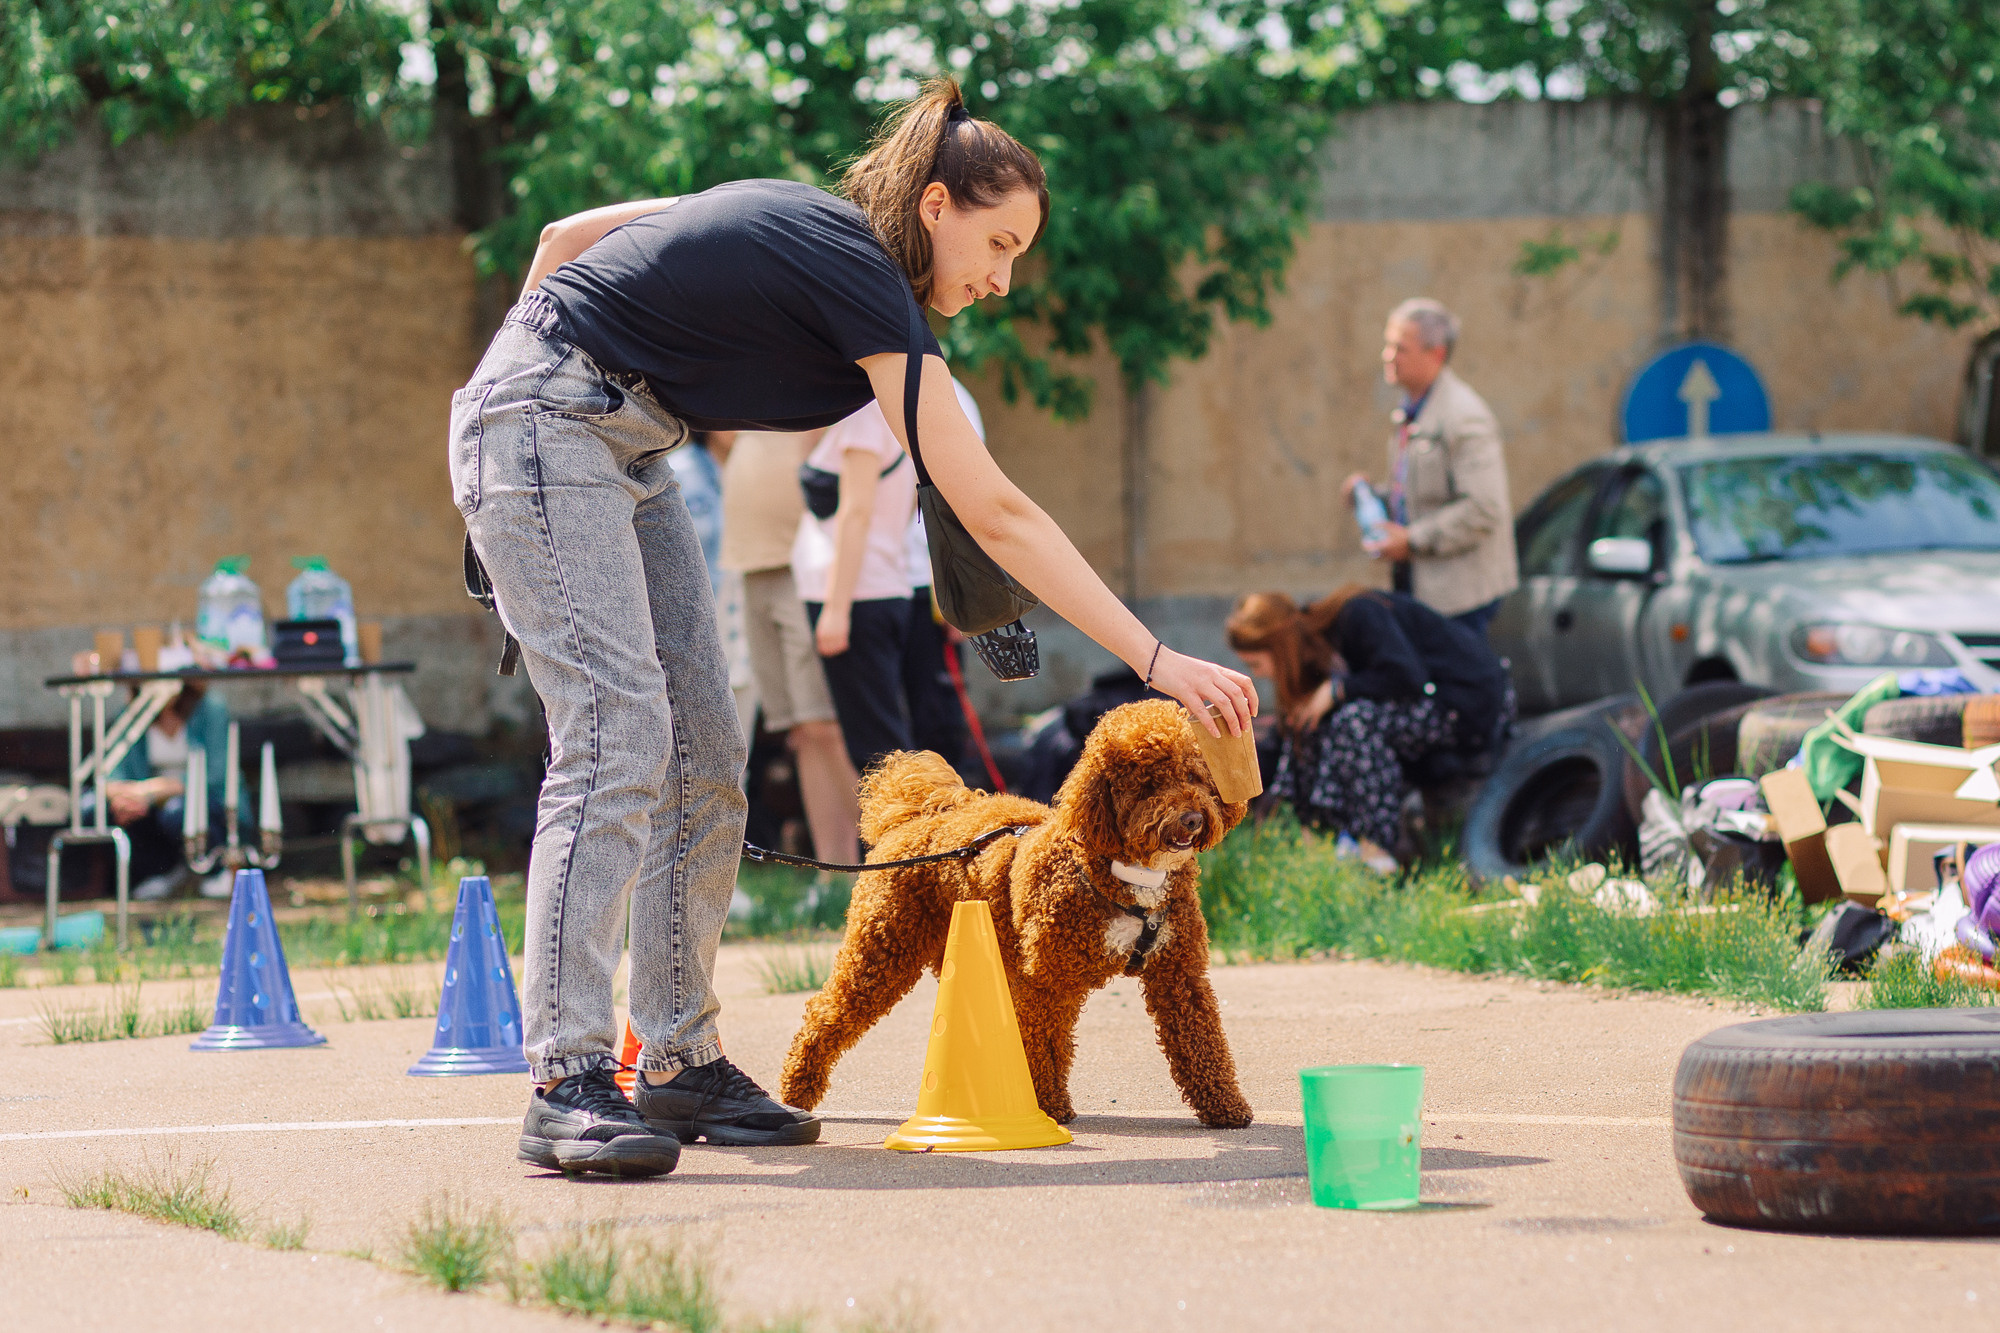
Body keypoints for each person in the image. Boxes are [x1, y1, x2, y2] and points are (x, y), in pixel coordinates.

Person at [451, 78, 1256, 1180]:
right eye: (998, 241)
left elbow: (564, 236)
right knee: (616, 735)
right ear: (935, 207)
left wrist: (507, 371)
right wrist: (1153, 655)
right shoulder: (863, 277)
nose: (1003, 277)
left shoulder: (815, 244)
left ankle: (676, 1059)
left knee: (707, 755)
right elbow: (996, 509)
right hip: (547, 424)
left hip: (624, 446)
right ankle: (564, 1075)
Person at [1225, 586, 1509, 865]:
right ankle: (1319, 841)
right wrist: (1229, 788)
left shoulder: (1356, 614)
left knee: (1352, 721)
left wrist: (1338, 691)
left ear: (1279, 647)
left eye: (1255, 664)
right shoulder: (1314, 652)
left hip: (1466, 702)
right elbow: (1283, 737)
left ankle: (1377, 849)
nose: (1258, 675)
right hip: (1424, 707)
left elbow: (1408, 677)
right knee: (1310, 723)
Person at [796, 377, 984, 778]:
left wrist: (836, 608)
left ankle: (908, 839)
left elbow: (857, 511)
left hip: (862, 591)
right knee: (893, 744)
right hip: (889, 583)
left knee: (878, 753)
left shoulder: (872, 409)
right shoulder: (911, 405)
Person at [721, 430, 864, 864]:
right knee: (802, 732)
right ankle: (834, 869)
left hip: (802, 564)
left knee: (824, 724)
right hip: (751, 562)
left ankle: (894, 853)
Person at [1341, 299, 1518, 639]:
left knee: (1457, 689)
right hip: (1423, 590)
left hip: (1462, 598)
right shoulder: (1412, 407)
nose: (1387, 356)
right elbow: (1424, 495)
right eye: (1387, 345)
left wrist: (1413, 540)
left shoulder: (1464, 416)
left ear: (1435, 354)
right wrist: (1370, 496)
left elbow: (1482, 508)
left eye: (1400, 348)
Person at [106, 682, 235, 900]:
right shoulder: (131, 715)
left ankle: (215, 868)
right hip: (148, 802)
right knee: (108, 809)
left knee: (177, 811)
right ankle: (162, 872)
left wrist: (150, 790)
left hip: (202, 798)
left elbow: (215, 775)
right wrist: (124, 796)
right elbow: (111, 772)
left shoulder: (209, 709)